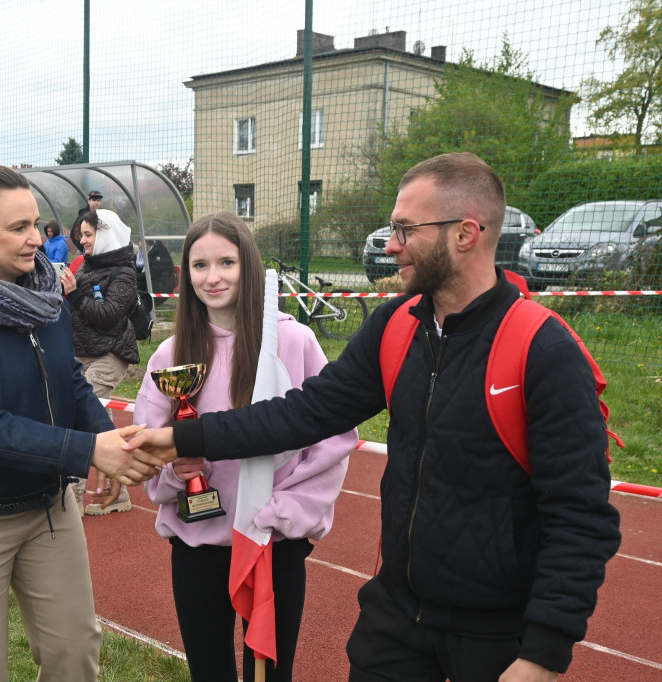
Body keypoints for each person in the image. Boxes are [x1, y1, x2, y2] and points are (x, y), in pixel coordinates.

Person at [126, 153, 622, 682]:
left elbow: (579, 511)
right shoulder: (395, 325)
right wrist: (182, 440)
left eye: (406, 229)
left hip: (496, 630)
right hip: (397, 615)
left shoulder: (544, 350)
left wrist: (544, 651)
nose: (391, 245)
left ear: (466, 234)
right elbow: (303, 413)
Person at [0, 159, 163, 682]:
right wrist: (86, 452)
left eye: (36, 224)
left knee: (75, 653)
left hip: (47, 504)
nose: (36, 240)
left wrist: (109, 440)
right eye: (18, 227)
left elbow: (68, 378)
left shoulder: (44, 291)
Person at [138, 211, 356, 682]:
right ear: (186, 274)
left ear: (249, 266)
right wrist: (174, 473)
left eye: (226, 263)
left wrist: (285, 512)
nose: (212, 278)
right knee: (209, 673)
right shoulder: (170, 356)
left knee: (273, 675)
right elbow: (147, 443)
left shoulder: (294, 341)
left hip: (272, 545)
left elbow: (334, 439)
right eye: (199, 265)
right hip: (198, 546)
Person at [59, 208, 140, 516]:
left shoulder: (123, 273)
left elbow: (107, 315)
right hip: (82, 352)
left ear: (105, 235)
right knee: (98, 425)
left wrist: (74, 295)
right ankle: (119, 495)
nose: (82, 240)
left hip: (110, 354)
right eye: (81, 234)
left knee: (81, 418)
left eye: (88, 234)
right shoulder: (86, 265)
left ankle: (73, 499)